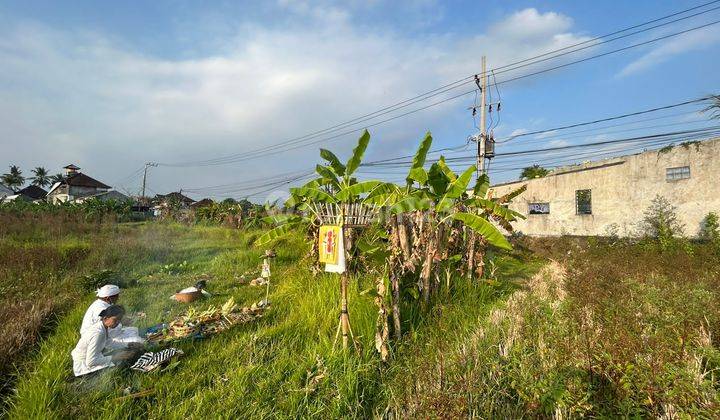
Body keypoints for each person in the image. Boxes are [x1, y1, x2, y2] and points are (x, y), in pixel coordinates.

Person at [81, 284, 144, 349]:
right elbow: (111, 332)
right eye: (116, 297)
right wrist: (121, 324)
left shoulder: (101, 304)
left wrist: (121, 323)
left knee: (133, 330)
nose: (118, 299)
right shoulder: (101, 309)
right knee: (137, 340)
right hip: (95, 339)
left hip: (106, 334)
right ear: (108, 298)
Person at [71, 305, 127, 376]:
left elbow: (109, 343)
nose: (118, 323)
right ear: (105, 318)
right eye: (115, 320)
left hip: (90, 359)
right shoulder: (98, 333)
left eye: (120, 320)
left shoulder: (103, 326)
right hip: (84, 368)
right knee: (121, 365)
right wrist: (115, 357)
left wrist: (127, 344)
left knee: (122, 355)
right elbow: (91, 362)